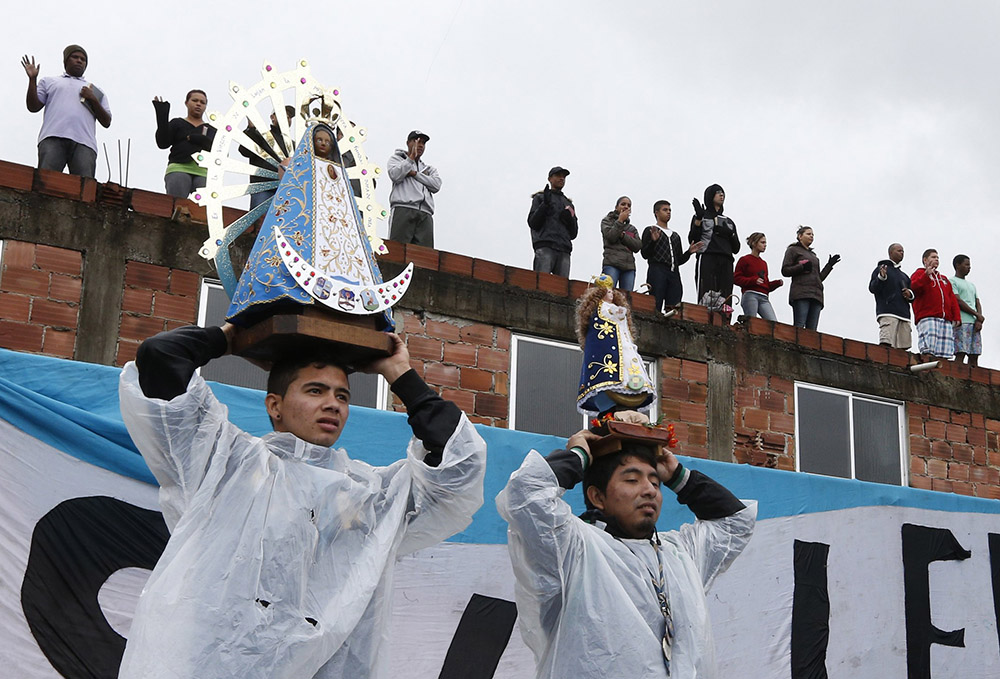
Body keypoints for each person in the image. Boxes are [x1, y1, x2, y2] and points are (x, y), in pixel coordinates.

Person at [117, 325, 486, 678]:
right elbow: (160, 356)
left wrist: (399, 372)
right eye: (315, 391)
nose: (333, 404)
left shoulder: (369, 496)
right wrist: (234, 337)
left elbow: (460, 462)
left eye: (342, 396)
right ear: (275, 406)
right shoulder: (227, 464)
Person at [496, 420, 756, 678]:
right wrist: (578, 456)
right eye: (632, 480)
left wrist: (678, 477)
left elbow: (735, 523)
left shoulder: (681, 552)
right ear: (598, 497)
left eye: (655, 483)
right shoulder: (574, 548)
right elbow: (525, 494)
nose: (649, 490)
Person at [21, 46, 111, 178]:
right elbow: (33, 107)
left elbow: (107, 121)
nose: (79, 61)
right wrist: (32, 80)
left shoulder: (95, 90)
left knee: (85, 190)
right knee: (45, 183)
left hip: (84, 143)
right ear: (66, 61)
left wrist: (93, 99)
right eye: (75, 57)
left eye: (83, 59)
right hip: (53, 137)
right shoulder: (50, 81)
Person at [575, 275, 655, 414]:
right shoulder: (600, 309)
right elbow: (609, 314)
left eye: (612, 292)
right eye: (607, 292)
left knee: (629, 367)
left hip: (624, 344)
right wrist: (616, 312)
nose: (610, 294)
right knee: (614, 373)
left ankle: (630, 389)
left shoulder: (613, 308)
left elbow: (621, 321)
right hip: (612, 348)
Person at [152, 90, 217, 198]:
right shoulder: (177, 123)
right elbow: (162, 143)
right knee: (176, 204)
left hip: (204, 172)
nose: (198, 104)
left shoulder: (211, 130)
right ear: (186, 103)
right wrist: (162, 115)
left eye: (202, 102)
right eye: (195, 100)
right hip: (179, 167)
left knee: (203, 210)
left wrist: (201, 140)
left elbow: (221, 154)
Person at [641, 200, 702, 313]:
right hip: (657, 270)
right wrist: (653, 241)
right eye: (665, 210)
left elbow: (679, 260)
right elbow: (645, 254)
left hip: (674, 273)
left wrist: (689, 252)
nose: (668, 212)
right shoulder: (650, 230)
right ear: (656, 212)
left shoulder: (675, 236)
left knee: (674, 306)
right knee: (656, 303)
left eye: (669, 210)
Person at [387, 130, 441, 248]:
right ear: (408, 143)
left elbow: (436, 185)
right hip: (403, 209)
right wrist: (410, 158)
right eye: (416, 141)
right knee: (397, 250)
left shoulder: (428, 168)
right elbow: (395, 175)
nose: (420, 145)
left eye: (423, 143)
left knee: (425, 256)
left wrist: (414, 174)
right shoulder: (396, 159)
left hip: (425, 214)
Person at [780, 226, 840, 330]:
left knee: (812, 331)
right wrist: (801, 267)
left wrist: (829, 265)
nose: (811, 236)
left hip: (816, 294)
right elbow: (785, 270)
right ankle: (795, 346)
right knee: (799, 325)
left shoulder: (814, 255)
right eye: (808, 234)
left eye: (813, 234)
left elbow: (819, 277)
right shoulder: (793, 250)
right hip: (801, 293)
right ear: (800, 236)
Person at [688, 184, 739, 303]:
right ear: (710, 196)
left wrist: (729, 234)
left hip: (726, 259)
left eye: (723, 192)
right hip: (708, 257)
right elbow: (693, 240)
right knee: (706, 296)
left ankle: (724, 320)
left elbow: (736, 248)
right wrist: (698, 219)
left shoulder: (729, 221)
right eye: (718, 192)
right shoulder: (702, 216)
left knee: (725, 298)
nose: (722, 195)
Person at [240, 106, 296, 212]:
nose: (286, 119)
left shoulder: (293, 145)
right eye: (282, 115)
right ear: (272, 117)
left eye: (289, 117)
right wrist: (251, 129)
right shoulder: (261, 136)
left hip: (286, 190)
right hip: (263, 187)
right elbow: (244, 150)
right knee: (260, 220)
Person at [910, 248, 961, 363]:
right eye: (933, 257)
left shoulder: (943, 279)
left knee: (944, 352)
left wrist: (956, 316)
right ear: (925, 260)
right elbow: (913, 288)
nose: (936, 259)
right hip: (928, 316)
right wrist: (926, 275)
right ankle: (927, 369)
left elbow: (951, 298)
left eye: (938, 257)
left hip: (945, 319)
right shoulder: (918, 274)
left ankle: (941, 374)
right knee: (929, 349)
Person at [528, 166, 578, 277]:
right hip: (545, 245)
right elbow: (533, 223)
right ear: (550, 179)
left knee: (562, 288)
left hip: (564, 249)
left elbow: (574, 233)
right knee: (540, 283)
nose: (562, 179)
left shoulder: (569, 204)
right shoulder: (540, 198)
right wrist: (544, 205)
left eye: (564, 177)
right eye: (558, 176)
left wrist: (570, 220)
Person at [868, 243, 914, 349]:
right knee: (886, 345)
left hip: (904, 314)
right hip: (888, 312)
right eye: (899, 251)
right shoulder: (881, 269)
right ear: (890, 253)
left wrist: (910, 294)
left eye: (903, 251)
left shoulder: (904, 276)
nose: (902, 253)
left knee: (903, 347)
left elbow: (912, 296)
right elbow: (872, 288)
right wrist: (881, 277)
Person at [733, 232, 783, 321]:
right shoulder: (744, 260)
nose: (765, 245)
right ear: (754, 243)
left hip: (764, 297)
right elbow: (736, 278)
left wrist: (776, 283)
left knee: (773, 322)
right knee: (752, 322)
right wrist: (753, 280)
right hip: (750, 295)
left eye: (765, 243)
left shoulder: (764, 263)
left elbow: (765, 284)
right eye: (762, 242)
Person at [600, 196, 641, 291]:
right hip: (611, 264)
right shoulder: (607, 221)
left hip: (629, 268)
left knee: (625, 299)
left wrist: (623, 236)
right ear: (616, 207)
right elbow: (611, 237)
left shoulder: (632, 228)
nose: (626, 207)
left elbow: (637, 246)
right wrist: (620, 221)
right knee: (607, 294)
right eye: (623, 204)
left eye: (629, 205)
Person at [951, 254, 985, 367]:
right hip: (962, 321)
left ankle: (973, 379)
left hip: (974, 323)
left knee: (974, 354)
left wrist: (979, 319)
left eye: (969, 265)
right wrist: (976, 314)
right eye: (966, 264)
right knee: (961, 352)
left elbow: (977, 302)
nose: (969, 267)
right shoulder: (952, 281)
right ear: (958, 265)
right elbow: (958, 301)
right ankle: (956, 375)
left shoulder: (972, 285)